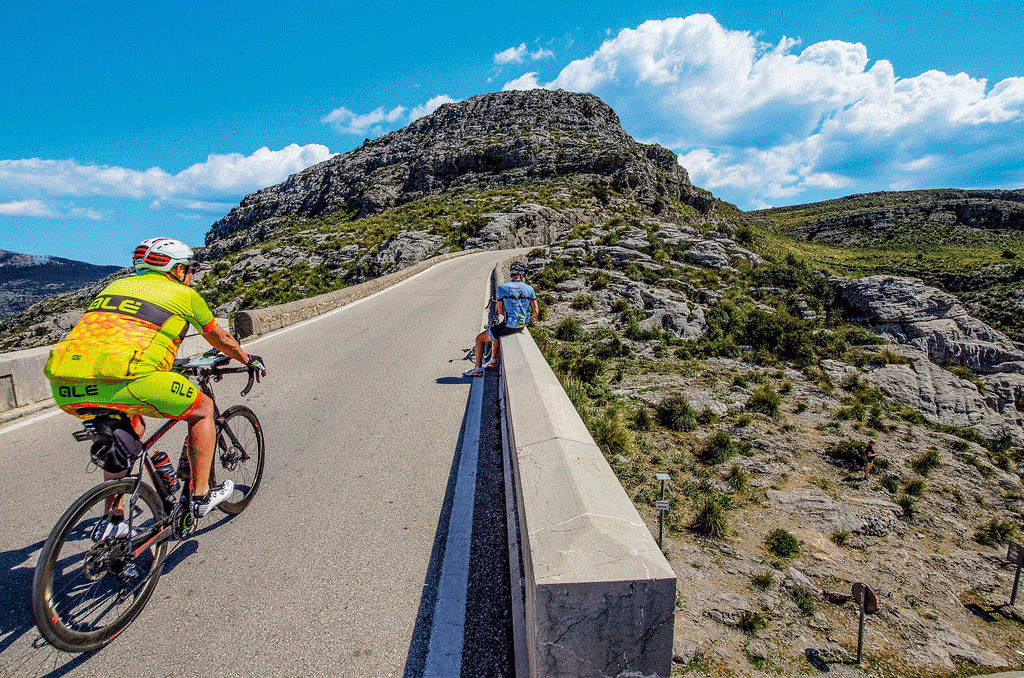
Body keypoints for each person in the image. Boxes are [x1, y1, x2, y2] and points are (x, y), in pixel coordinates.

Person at [44, 237, 267, 534]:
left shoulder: (113, 287)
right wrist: (247, 358)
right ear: (177, 270)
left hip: (66, 383)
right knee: (202, 408)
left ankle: (114, 520)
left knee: (130, 427)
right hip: (131, 378)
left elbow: (120, 334)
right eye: (189, 268)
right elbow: (220, 338)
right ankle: (201, 496)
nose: (191, 275)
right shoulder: (184, 294)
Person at [464, 261, 538, 377]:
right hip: (521, 326)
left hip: (508, 326)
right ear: (522, 275)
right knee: (495, 333)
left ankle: (478, 369)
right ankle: (493, 360)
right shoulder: (530, 289)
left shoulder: (503, 288)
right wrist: (525, 318)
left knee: (479, 339)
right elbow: (535, 311)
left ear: (511, 275)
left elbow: (500, 311)